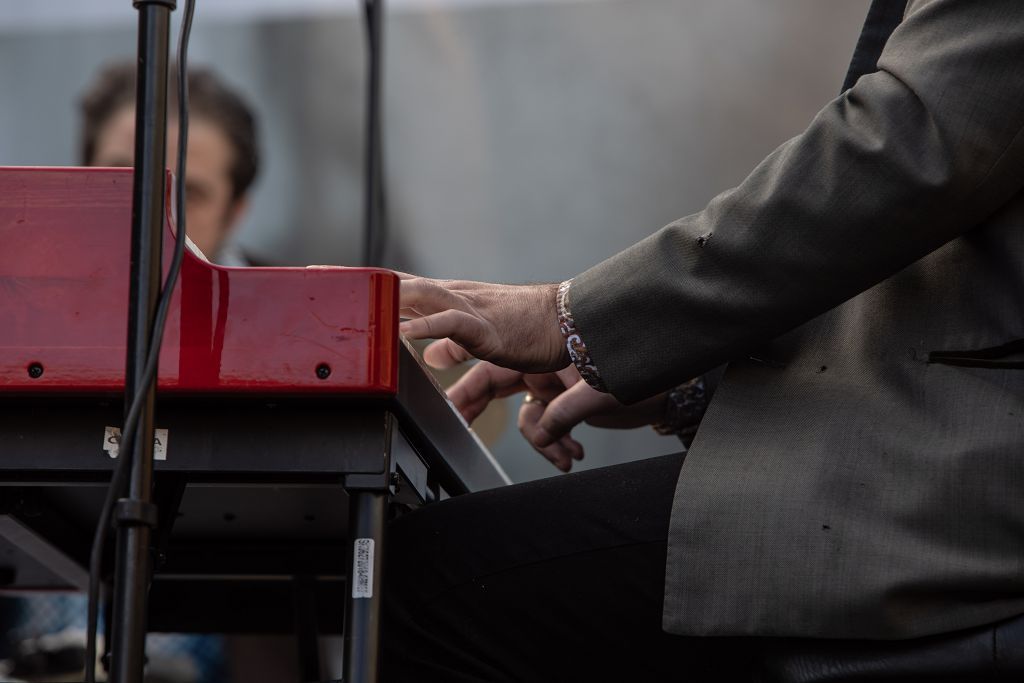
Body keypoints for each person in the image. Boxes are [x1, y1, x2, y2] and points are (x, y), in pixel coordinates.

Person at [384, 0, 1024, 680]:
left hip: (970, 490)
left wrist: (572, 316)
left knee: (431, 580)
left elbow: (905, 150)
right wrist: (686, 381)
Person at [80, 59, 260, 264]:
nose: (148, 217)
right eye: (121, 181)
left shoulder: (289, 295)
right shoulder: (36, 288)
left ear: (233, 214)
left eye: (186, 195)